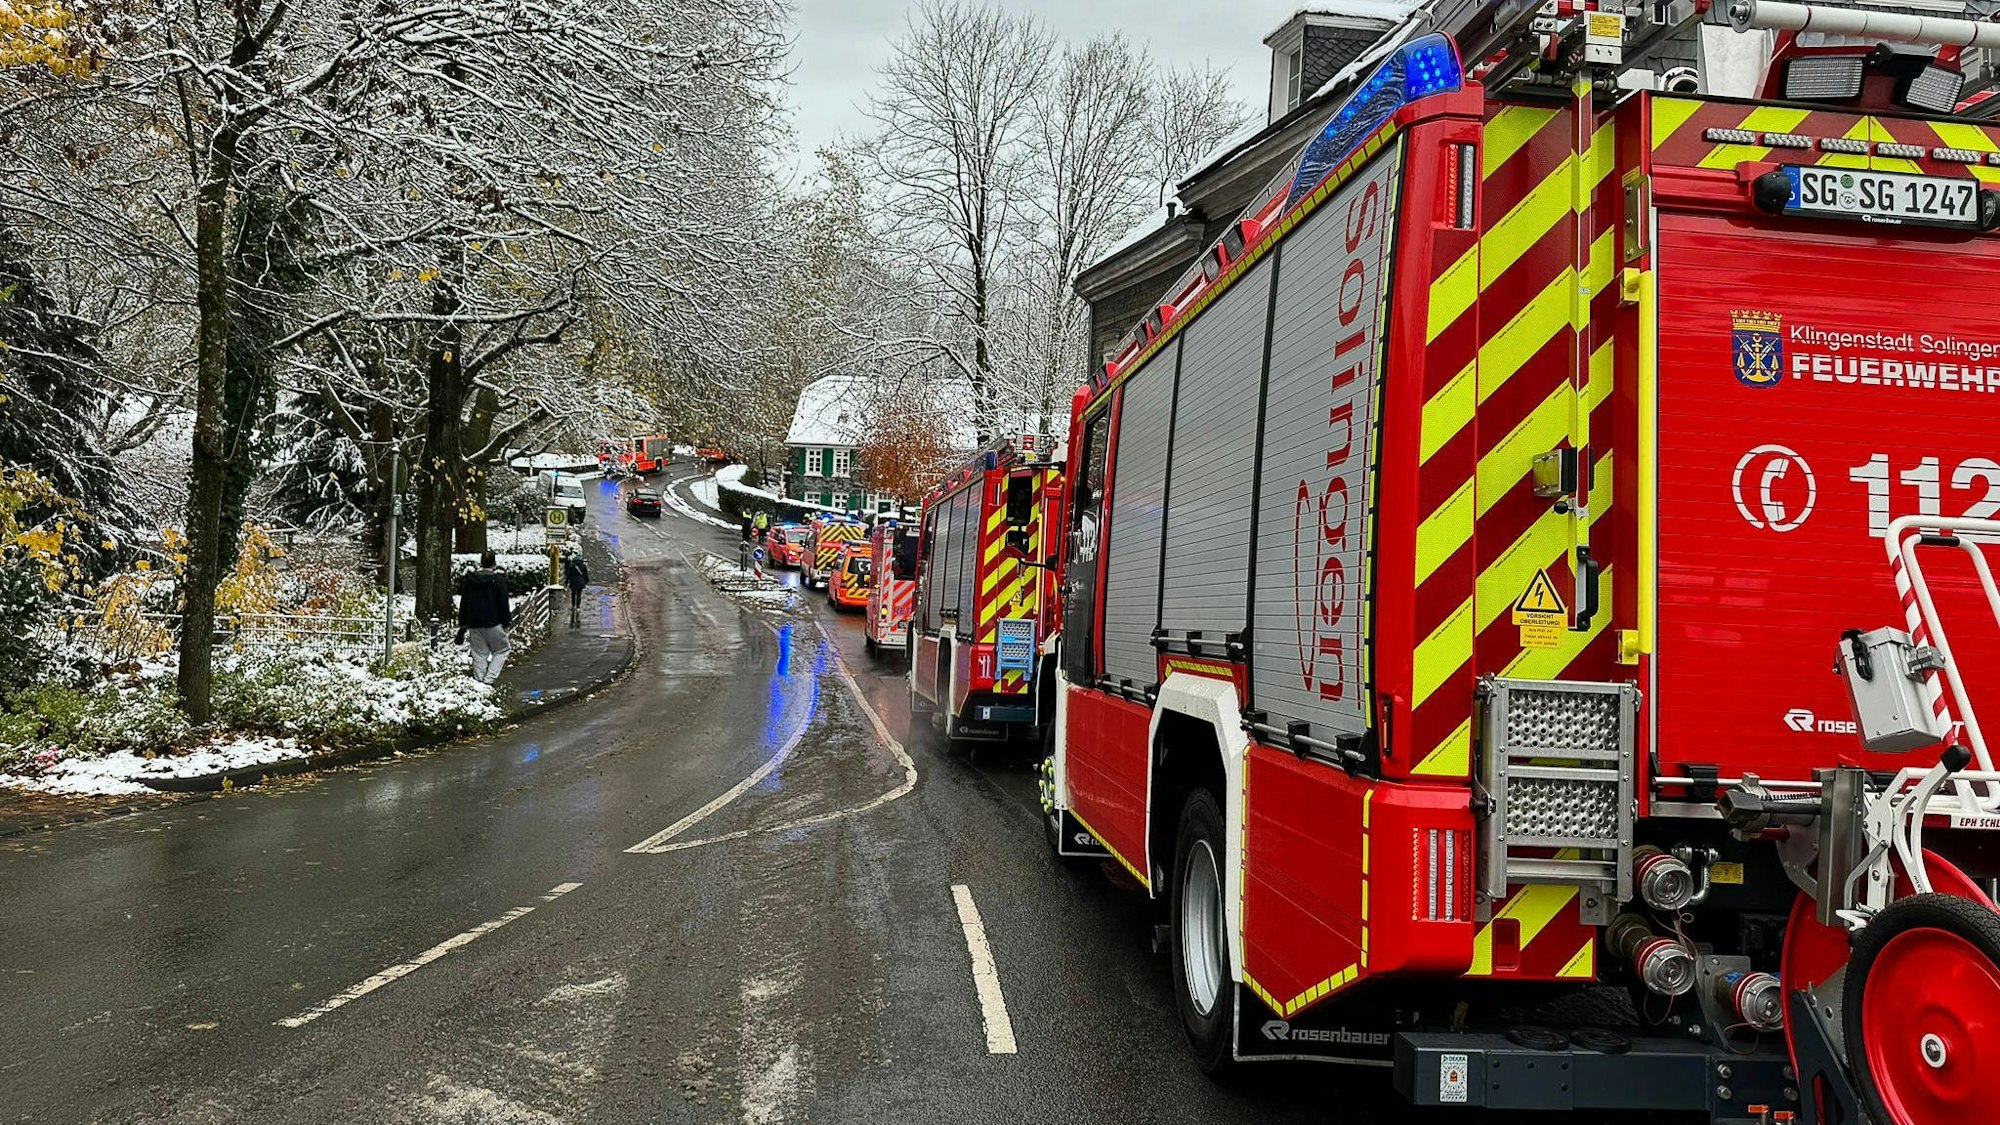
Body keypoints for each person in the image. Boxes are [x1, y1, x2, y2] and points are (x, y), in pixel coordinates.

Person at [456, 550, 513, 684]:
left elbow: (464, 603)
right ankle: (489, 679)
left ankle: (479, 681)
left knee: (479, 654)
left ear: (481, 563)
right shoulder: (498, 581)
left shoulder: (470, 582)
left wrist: (463, 624)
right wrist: (506, 622)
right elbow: (503, 603)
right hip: (494, 623)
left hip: (474, 623)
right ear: (494, 564)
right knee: (502, 650)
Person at [562, 550, 590, 627]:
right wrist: (586, 581)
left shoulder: (571, 566)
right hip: (580, 581)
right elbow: (585, 574)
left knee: (573, 594)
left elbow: (568, 575)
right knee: (579, 594)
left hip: (573, 581)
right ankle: (578, 607)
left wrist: (566, 582)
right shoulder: (583, 566)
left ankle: (573, 605)